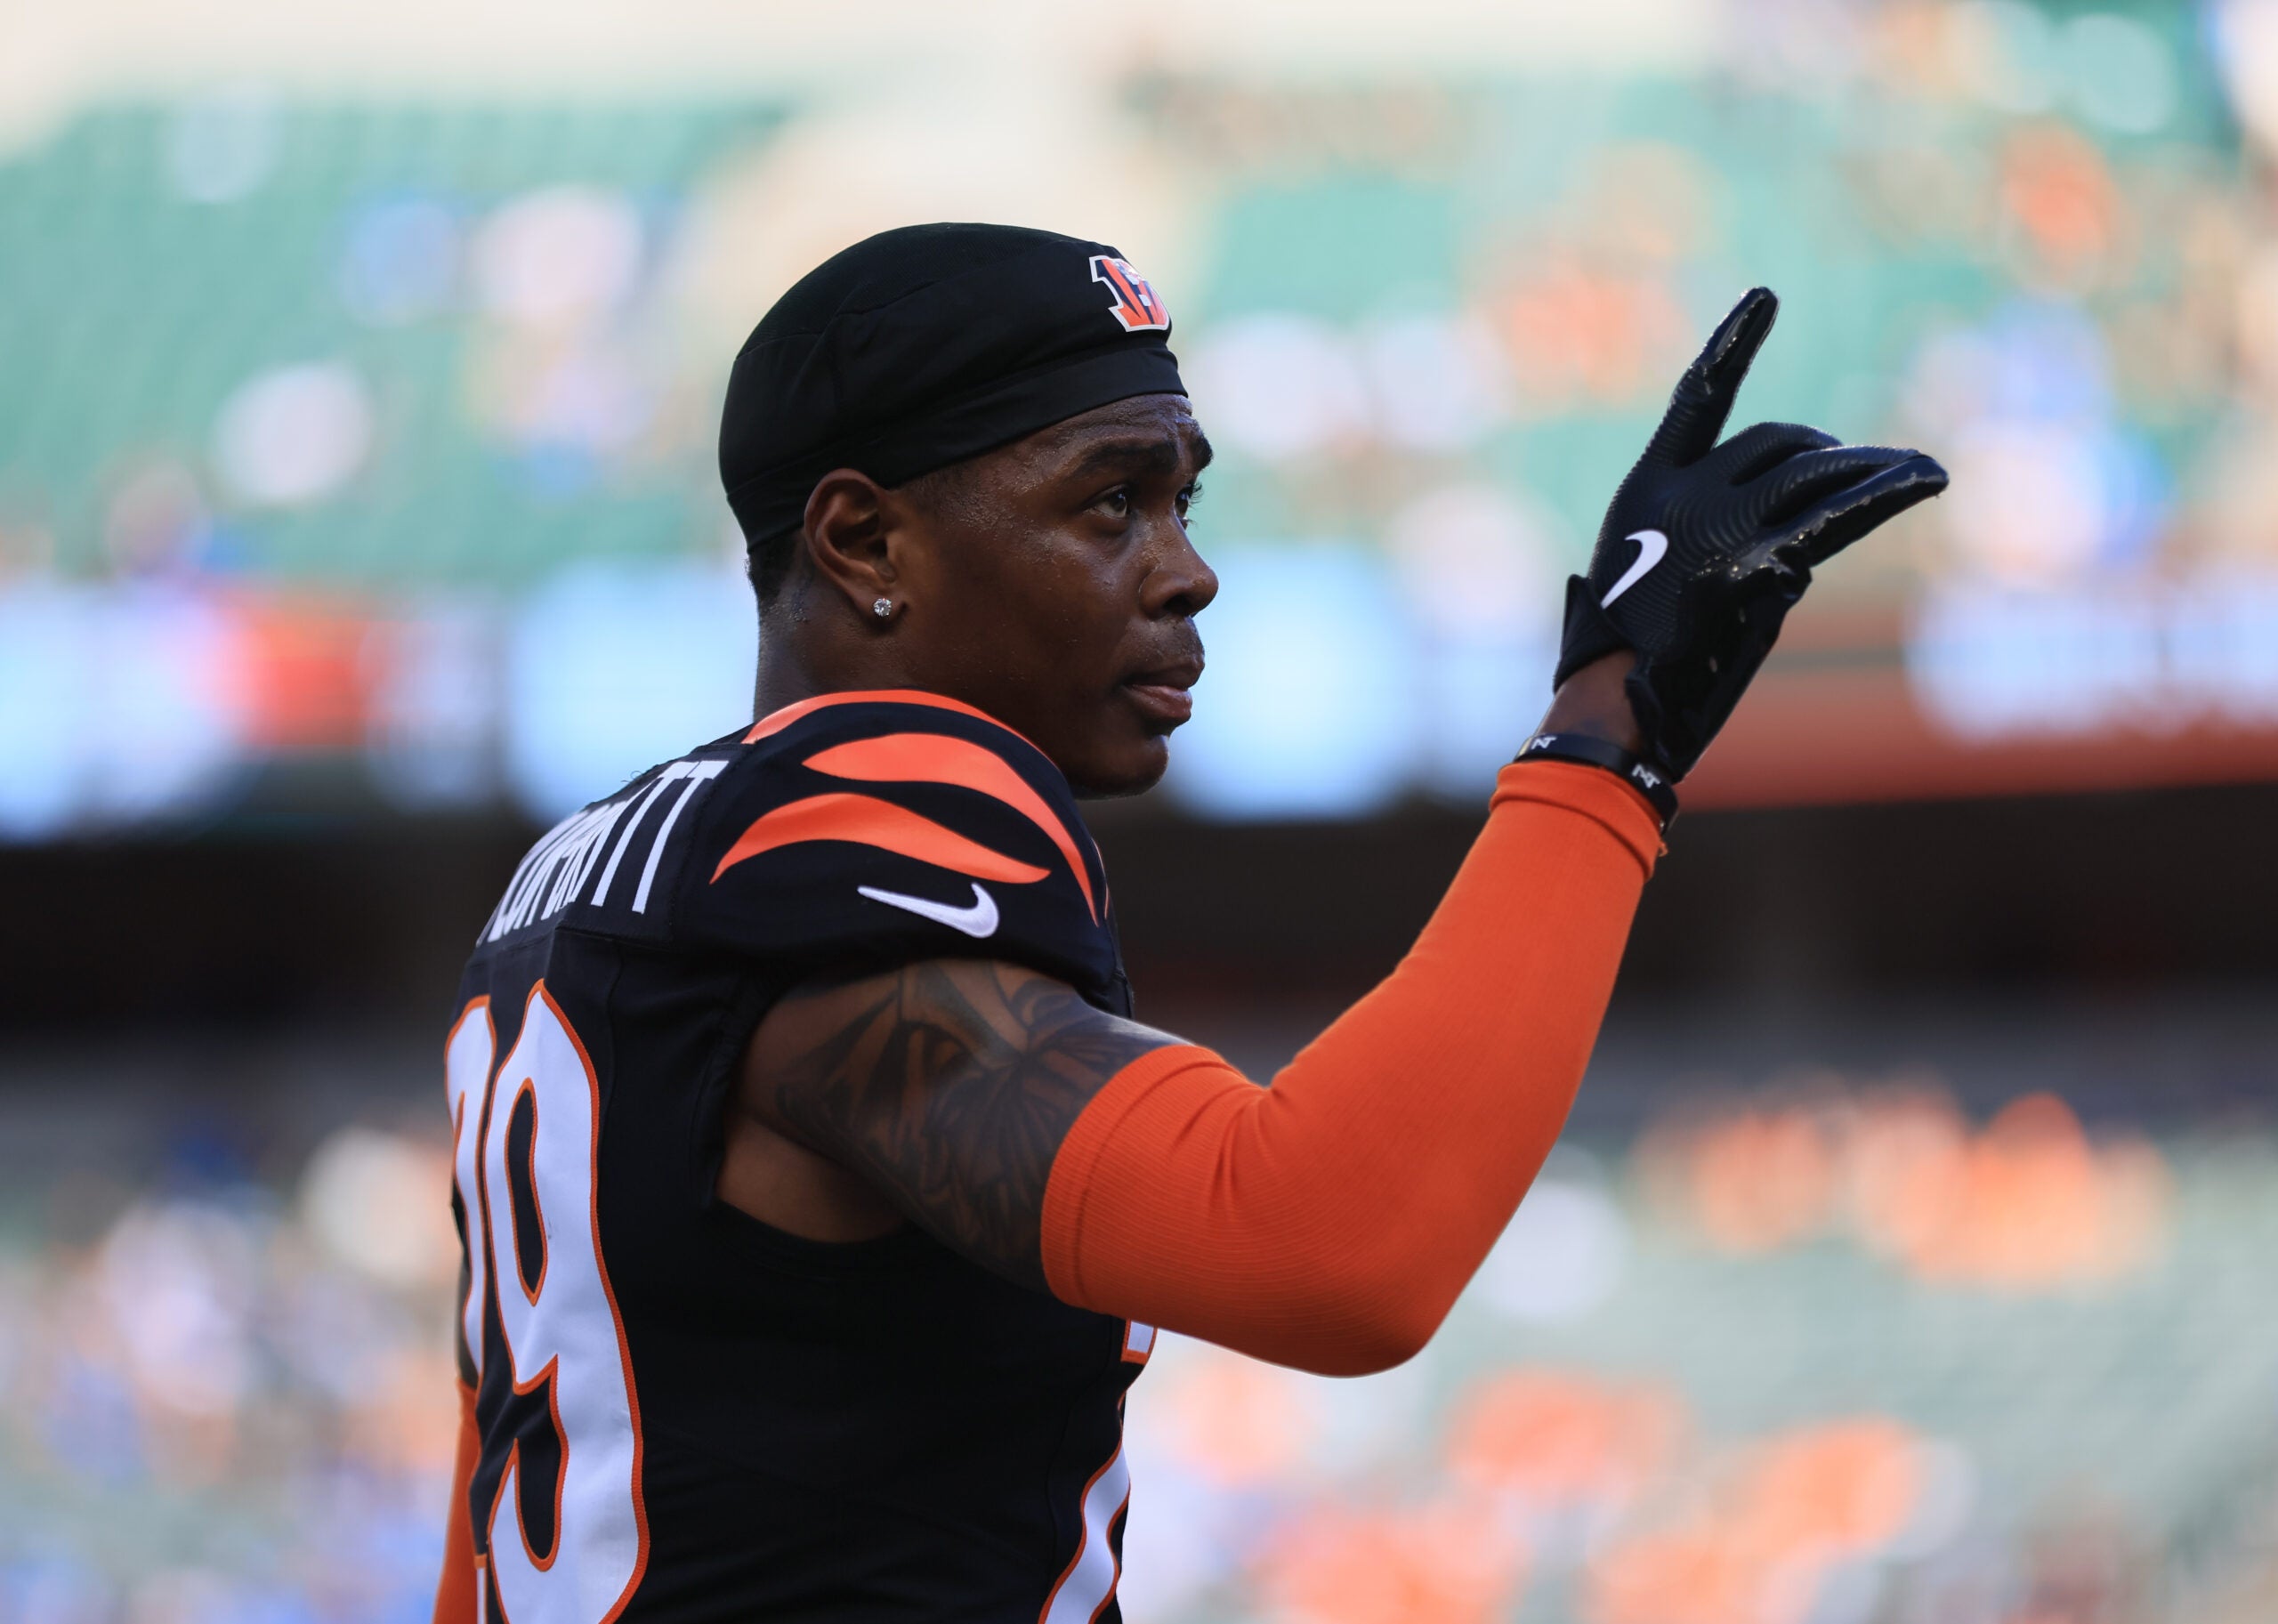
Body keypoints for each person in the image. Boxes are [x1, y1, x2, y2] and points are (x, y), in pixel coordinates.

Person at [430, 222, 1945, 1623]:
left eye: (1181, 498)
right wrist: (1610, 740)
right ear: (867, 544)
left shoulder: (580, 870)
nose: (1188, 567)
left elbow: (486, 1529)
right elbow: (1331, 1247)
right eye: (1111, 500)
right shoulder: (874, 801)